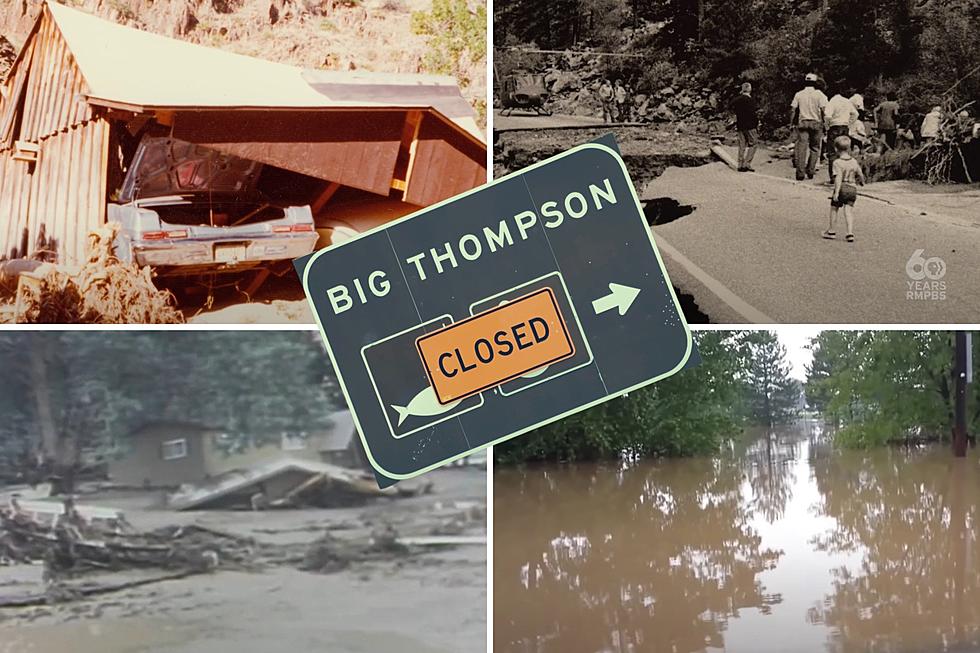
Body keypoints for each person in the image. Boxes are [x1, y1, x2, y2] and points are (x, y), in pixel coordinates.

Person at [823, 135, 865, 243]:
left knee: (834, 208)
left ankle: (831, 231)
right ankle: (849, 232)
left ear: (836, 149)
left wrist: (836, 192)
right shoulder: (854, 161)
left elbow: (838, 178)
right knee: (849, 211)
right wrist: (862, 181)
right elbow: (860, 173)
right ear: (849, 148)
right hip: (852, 188)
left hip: (842, 187)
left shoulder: (837, 163)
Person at [790, 73, 829, 180]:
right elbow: (824, 110)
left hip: (802, 122)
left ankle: (800, 173)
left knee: (801, 148)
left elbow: (793, 109)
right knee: (815, 148)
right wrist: (825, 124)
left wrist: (792, 123)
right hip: (816, 123)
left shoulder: (799, 94)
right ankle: (810, 170)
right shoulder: (820, 95)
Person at [825, 88, 859, 182]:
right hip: (844, 127)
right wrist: (849, 122)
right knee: (844, 151)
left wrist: (827, 126)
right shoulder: (847, 101)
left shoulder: (832, 101)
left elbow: (827, 116)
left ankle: (834, 177)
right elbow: (855, 114)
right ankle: (845, 176)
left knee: (832, 152)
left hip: (834, 127)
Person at [730, 82, 760, 172]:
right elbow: (754, 114)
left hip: (740, 124)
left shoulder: (738, 100)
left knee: (742, 145)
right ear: (749, 89)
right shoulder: (751, 100)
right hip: (750, 125)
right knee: (753, 144)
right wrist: (757, 123)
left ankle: (740, 164)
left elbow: (731, 104)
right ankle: (747, 163)